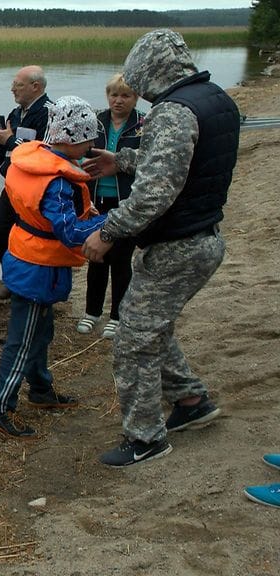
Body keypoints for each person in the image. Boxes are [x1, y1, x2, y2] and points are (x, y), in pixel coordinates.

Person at [82, 29, 239, 467]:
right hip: (203, 236)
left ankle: (146, 438)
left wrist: (108, 232)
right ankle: (191, 401)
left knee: (132, 339)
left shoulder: (173, 112)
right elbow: (186, 159)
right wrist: (122, 159)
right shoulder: (215, 98)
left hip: (178, 246)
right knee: (153, 325)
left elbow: (155, 192)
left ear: (149, 72)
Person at [0, 96, 106, 438]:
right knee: (22, 340)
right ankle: (0, 408)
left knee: (41, 331)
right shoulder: (57, 180)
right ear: (71, 139)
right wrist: (113, 221)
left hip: (26, 255)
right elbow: (68, 231)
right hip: (38, 265)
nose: (92, 145)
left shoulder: (32, 158)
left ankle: (40, 389)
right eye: (88, 139)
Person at [76, 74, 144, 339]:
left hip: (127, 202)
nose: (118, 100)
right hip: (96, 200)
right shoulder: (96, 122)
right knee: (96, 256)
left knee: (121, 260)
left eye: (125, 95)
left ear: (135, 97)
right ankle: (92, 312)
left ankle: (117, 315)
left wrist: (120, 162)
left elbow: (151, 163)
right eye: (114, 95)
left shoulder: (143, 124)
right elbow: (79, 150)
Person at [0, 65, 52, 300]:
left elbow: (46, 153)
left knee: (30, 240)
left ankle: (18, 281)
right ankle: (12, 276)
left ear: (36, 87)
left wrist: (11, 140)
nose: (12, 89)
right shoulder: (15, 114)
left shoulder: (50, 113)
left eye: (18, 85)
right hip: (12, 185)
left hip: (37, 190)